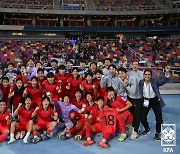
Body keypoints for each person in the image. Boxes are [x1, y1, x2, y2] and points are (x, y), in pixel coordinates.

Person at [140, 66, 171, 141]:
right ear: (143, 75)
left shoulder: (155, 81)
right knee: (142, 117)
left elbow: (164, 81)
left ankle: (157, 133)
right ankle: (147, 129)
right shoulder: (141, 82)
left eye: (148, 74)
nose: (147, 76)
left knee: (159, 119)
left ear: (151, 75)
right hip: (146, 101)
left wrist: (166, 72)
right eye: (146, 74)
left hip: (155, 101)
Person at [118, 67, 143, 140]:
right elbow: (122, 89)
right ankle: (134, 127)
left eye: (122, 73)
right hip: (130, 98)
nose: (121, 75)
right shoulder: (121, 79)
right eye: (119, 74)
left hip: (137, 98)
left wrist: (126, 85)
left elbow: (133, 91)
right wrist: (115, 94)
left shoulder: (133, 79)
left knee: (137, 115)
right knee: (131, 114)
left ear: (126, 73)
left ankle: (135, 131)